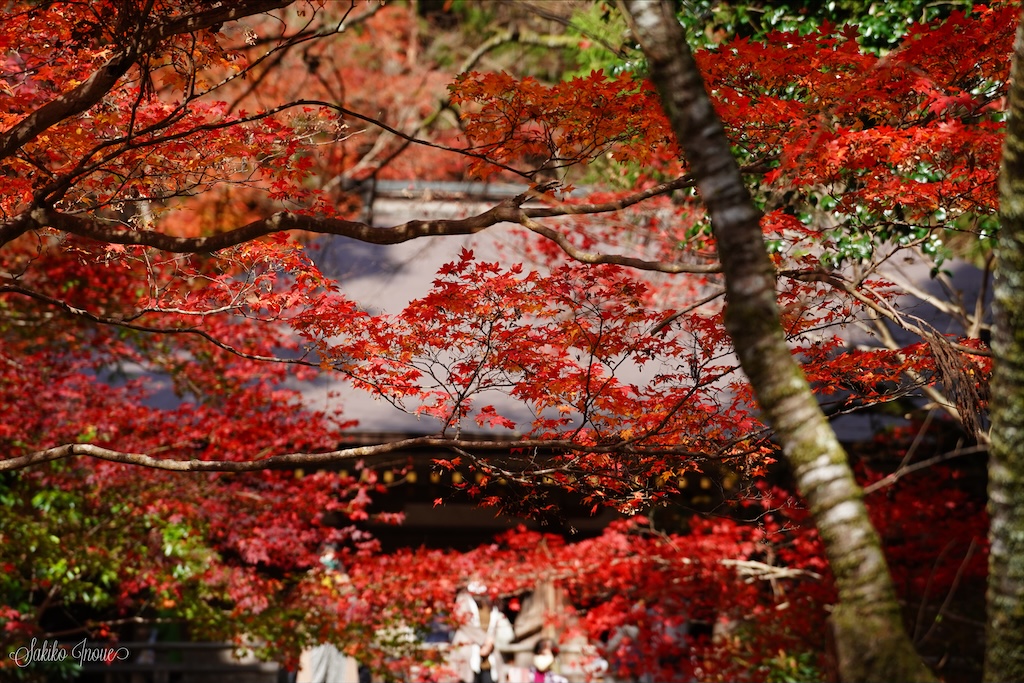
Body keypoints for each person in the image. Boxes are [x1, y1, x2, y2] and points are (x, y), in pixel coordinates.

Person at [450, 581, 514, 683]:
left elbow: (494, 624)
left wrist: (489, 643)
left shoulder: (491, 601)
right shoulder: (463, 598)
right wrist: (485, 640)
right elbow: (464, 623)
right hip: (468, 649)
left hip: (489, 655)